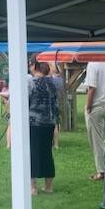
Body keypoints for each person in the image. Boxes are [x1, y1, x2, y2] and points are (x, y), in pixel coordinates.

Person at [28, 60, 59, 194]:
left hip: (34, 122)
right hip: (50, 123)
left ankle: (32, 187)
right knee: (47, 153)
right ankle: (48, 187)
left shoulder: (30, 82)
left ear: (35, 68)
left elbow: (26, 100)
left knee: (33, 153)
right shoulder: (54, 83)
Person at [84, 61, 105, 180]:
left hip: (97, 105)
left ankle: (102, 171)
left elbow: (91, 88)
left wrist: (88, 107)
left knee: (97, 141)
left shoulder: (92, 64)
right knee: (103, 139)